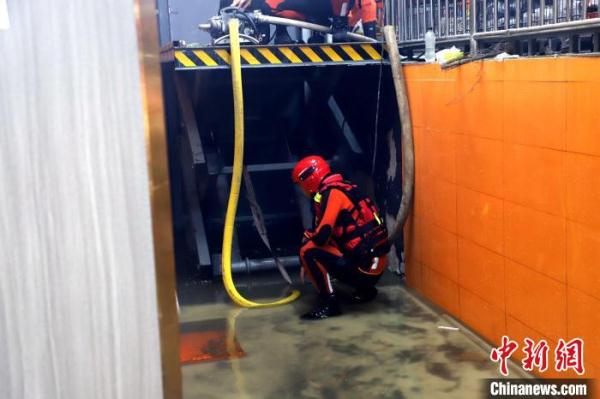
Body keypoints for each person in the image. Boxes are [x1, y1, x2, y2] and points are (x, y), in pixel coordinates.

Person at [291, 155, 390, 320]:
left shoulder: (332, 194)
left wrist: (306, 243)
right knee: (332, 241)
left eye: (301, 185)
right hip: (375, 265)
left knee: (308, 250)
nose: (302, 190)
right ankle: (365, 291)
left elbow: (322, 236)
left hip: (364, 271)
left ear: (309, 179)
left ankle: (329, 304)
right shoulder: (346, 186)